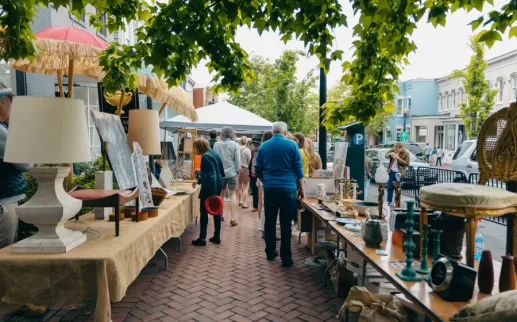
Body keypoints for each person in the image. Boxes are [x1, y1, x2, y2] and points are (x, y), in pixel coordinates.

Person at [255, 122, 304, 267]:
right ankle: (286, 257)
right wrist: (302, 188)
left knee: (269, 221)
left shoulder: (264, 146)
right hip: (288, 188)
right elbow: (298, 168)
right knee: (285, 223)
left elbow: (258, 168)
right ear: (285, 131)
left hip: (270, 187)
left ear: (273, 131)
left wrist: (265, 179)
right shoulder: (292, 145)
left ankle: (270, 252)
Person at [0, 85, 33, 249]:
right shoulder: (1, 131)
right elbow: (26, 163)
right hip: (4, 204)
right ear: (2, 103)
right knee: (4, 255)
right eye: (10, 103)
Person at [191, 138, 225, 246]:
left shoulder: (205, 156)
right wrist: (200, 180)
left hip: (210, 188)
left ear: (199, 147)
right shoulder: (214, 153)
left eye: (194, 147)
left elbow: (211, 175)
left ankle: (202, 238)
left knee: (204, 212)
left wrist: (211, 192)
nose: (193, 150)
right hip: (217, 185)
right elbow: (220, 172)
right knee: (217, 211)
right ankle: (217, 236)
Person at [213, 126, 240, 225]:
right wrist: (237, 170)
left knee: (221, 194)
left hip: (220, 173)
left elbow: (215, 158)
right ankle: (233, 218)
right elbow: (237, 160)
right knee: (233, 194)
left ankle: (220, 215)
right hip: (232, 172)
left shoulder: (216, 144)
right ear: (232, 134)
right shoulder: (235, 144)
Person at [256, 130, 273, 235]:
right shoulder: (271, 149)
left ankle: (262, 227)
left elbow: (257, 165)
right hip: (267, 178)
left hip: (262, 178)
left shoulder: (261, 148)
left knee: (261, 202)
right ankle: (265, 228)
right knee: (266, 203)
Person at [237, 136, 251, 209]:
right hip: (245, 168)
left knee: (239, 187)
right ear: (246, 142)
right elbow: (249, 161)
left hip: (237, 169)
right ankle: (244, 203)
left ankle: (240, 201)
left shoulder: (236, 149)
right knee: (245, 187)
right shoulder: (247, 150)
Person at [249, 138, 261, 212]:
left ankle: (259, 205)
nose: (255, 145)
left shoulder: (260, 151)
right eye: (254, 144)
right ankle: (255, 206)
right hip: (252, 173)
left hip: (258, 174)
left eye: (257, 144)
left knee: (258, 190)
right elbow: (251, 162)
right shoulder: (253, 151)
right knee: (254, 190)